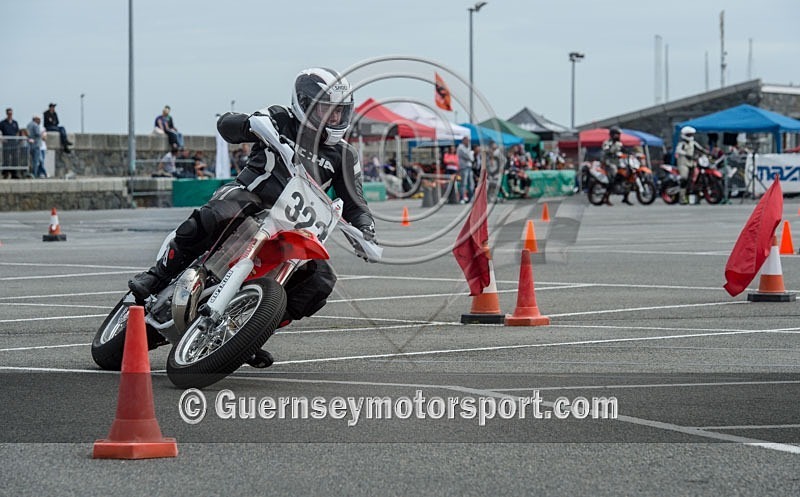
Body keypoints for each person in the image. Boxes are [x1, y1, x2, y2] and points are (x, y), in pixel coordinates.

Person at [127, 67, 376, 368]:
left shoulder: (345, 155)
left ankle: (246, 332)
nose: (334, 119)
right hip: (252, 197)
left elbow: (355, 201)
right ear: (304, 104)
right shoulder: (280, 118)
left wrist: (365, 230)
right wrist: (250, 125)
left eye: (340, 112)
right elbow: (228, 126)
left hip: (292, 224)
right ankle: (159, 274)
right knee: (217, 214)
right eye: (327, 110)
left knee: (320, 281)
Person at [674, 125, 709, 205]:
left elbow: (700, 148)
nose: (690, 136)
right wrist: (686, 154)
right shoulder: (682, 143)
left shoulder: (693, 143)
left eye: (691, 134)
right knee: (684, 178)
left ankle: (694, 195)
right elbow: (678, 150)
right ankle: (682, 197)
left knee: (693, 180)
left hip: (692, 163)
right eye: (689, 135)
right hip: (683, 163)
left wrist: (707, 152)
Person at [600, 126, 632, 206]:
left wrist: (630, 153)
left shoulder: (619, 143)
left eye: (619, 134)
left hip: (618, 163)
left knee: (627, 177)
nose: (618, 136)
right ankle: (606, 197)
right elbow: (606, 151)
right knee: (613, 180)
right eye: (616, 134)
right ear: (612, 134)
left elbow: (624, 150)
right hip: (609, 163)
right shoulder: (607, 143)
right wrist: (613, 149)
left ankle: (625, 198)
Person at [1, 108, 21, 178]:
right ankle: (5, 173)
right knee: (6, 158)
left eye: (11, 114)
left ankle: (14, 173)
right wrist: (1, 139)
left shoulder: (15, 122)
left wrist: (17, 139)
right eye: (9, 114)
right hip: (6, 143)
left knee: (14, 159)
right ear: (7, 114)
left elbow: (17, 132)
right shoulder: (3, 123)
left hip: (14, 144)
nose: (10, 115)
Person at [456, 136, 474, 203]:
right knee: (464, 183)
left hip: (469, 167)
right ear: (463, 141)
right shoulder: (460, 148)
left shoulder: (468, 147)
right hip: (464, 167)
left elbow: (472, 156)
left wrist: (471, 156)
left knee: (471, 183)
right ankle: (462, 198)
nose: (468, 142)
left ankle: (470, 198)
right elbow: (467, 156)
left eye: (468, 140)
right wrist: (471, 157)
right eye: (466, 140)